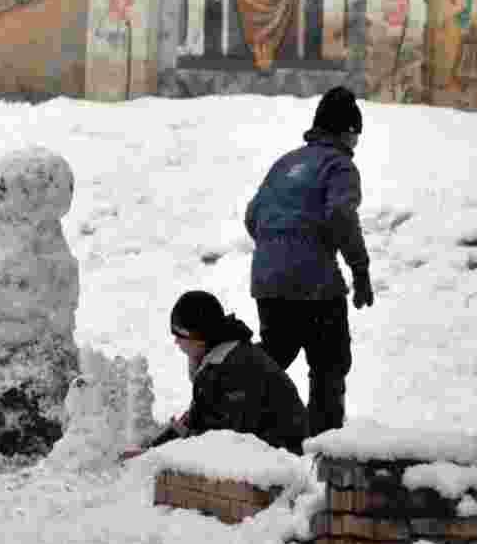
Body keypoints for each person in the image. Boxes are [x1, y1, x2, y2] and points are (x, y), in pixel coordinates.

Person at [244, 86, 374, 438]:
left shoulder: (286, 163)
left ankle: (243, 423)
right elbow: (341, 215)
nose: (356, 144)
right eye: (355, 135)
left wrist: (279, 252)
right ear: (347, 132)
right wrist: (360, 270)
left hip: (268, 281)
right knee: (329, 365)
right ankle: (325, 443)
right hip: (315, 284)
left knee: (274, 356)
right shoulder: (340, 166)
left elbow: (253, 216)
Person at [121, 291, 308, 460]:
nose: (176, 341)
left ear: (199, 338)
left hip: (282, 465)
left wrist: (161, 456)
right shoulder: (218, 360)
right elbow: (196, 419)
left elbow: (222, 440)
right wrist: (151, 451)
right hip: (262, 454)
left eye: (179, 335)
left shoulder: (235, 369)